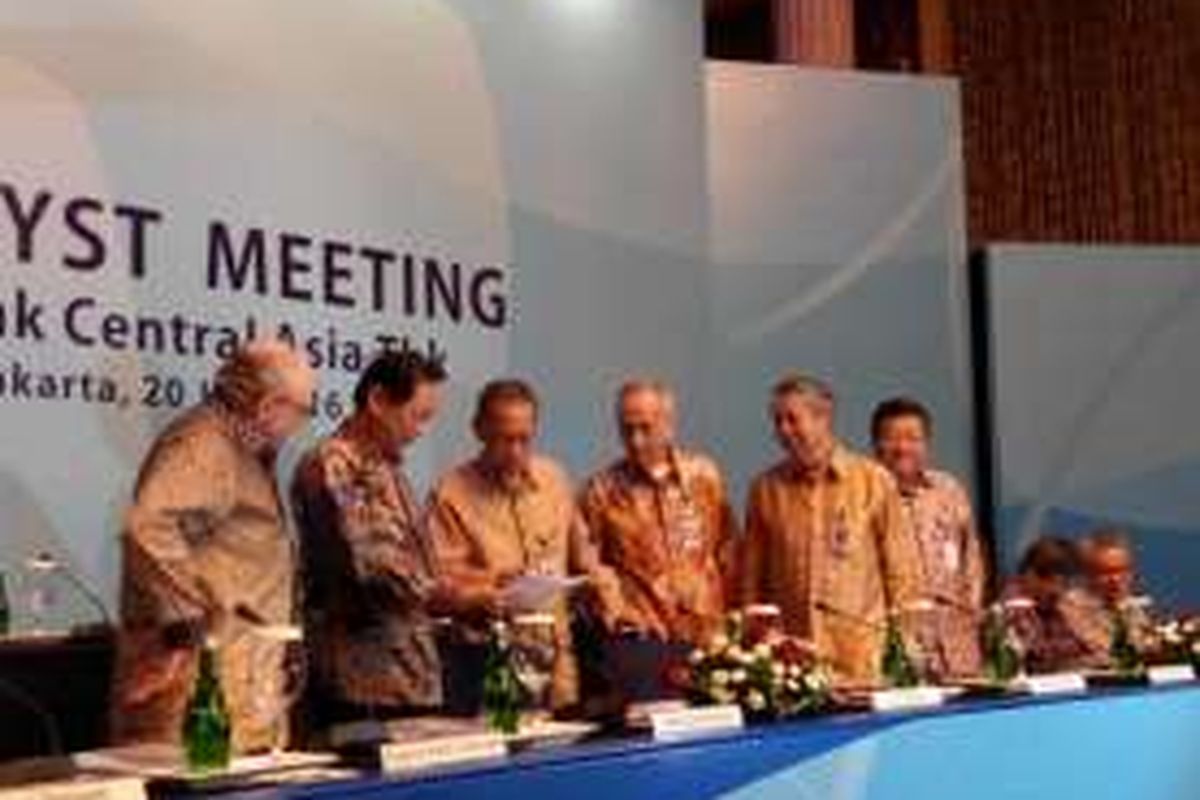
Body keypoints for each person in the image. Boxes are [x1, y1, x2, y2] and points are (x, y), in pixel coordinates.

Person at [110, 340, 316, 753]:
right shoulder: (205, 445)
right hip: (200, 689)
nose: (303, 424)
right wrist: (186, 627)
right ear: (269, 406)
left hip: (238, 683)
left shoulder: (240, 449)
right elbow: (148, 528)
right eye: (303, 410)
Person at [291, 350, 482, 727]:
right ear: (378, 401)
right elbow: (376, 568)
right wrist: (458, 598)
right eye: (419, 415)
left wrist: (481, 585)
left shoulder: (387, 468)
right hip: (362, 687)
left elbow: (414, 566)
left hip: (407, 679)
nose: (422, 430)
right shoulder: (334, 464)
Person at [427, 379, 622, 713]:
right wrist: (496, 583)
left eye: (524, 439)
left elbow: (584, 556)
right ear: (479, 430)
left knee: (561, 758)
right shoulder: (451, 494)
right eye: (504, 439)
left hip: (558, 665)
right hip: (491, 667)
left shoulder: (554, 480)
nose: (516, 450)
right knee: (507, 755)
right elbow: (438, 581)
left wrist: (605, 587)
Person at [740, 374, 921, 685]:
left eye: (792, 420)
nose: (783, 430)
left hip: (864, 664)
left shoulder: (873, 481)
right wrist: (758, 649)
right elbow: (752, 583)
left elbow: (903, 574)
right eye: (777, 421)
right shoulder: (766, 490)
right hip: (794, 670)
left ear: (823, 417)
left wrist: (902, 653)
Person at [579, 379, 738, 645]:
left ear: (668, 425)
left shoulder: (704, 475)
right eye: (626, 430)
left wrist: (736, 623)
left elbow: (729, 550)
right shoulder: (600, 491)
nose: (635, 441)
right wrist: (618, 610)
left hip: (708, 635)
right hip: (642, 637)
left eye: (645, 428)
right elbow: (588, 566)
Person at [871, 397, 986, 680]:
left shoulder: (948, 489)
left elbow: (971, 555)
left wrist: (971, 612)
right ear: (875, 445)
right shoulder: (865, 495)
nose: (902, 448)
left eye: (913, 438)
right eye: (891, 439)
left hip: (959, 646)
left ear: (926, 443)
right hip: (900, 650)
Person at [1002, 537, 1108, 673]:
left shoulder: (1054, 607)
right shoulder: (1014, 607)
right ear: (1030, 574)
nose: (1058, 590)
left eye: (1065, 582)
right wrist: (1082, 660)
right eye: (1053, 581)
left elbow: (1080, 647)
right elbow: (1039, 660)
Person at [1075, 529, 1157, 653]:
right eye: (1106, 572)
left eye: (1122, 570)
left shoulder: (1138, 606)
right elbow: (1106, 651)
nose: (1115, 579)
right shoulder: (1072, 608)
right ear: (1087, 574)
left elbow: (1152, 645)